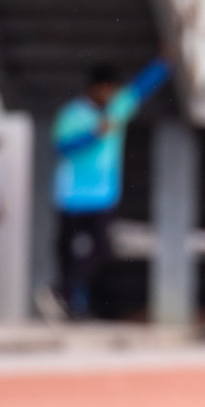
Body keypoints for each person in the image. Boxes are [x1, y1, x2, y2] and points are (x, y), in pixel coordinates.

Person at [47, 58, 169, 319]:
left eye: (114, 90)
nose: (111, 95)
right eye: (107, 89)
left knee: (102, 251)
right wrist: (93, 134)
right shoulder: (73, 113)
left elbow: (140, 89)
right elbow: (61, 147)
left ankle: (62, 292)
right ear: (94, 88)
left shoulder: (117, 108)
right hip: (71, 194)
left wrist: (165, 62)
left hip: (103, 194)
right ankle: (68, 305)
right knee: (66, 252)